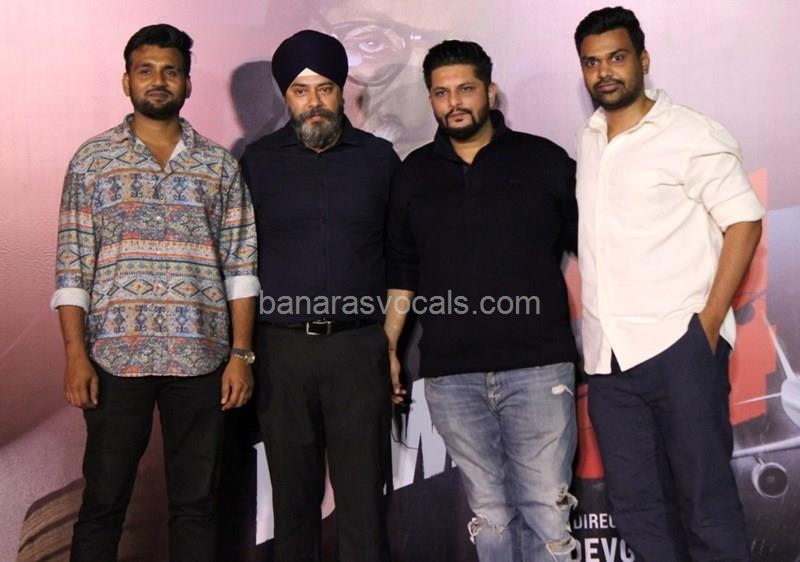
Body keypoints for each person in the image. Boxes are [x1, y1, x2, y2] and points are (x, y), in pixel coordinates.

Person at [51, 23, 259, 561]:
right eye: (146, 71)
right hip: (114, 358)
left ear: (187, 83)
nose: (158, 81)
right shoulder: (93, 160)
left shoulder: (218, 165)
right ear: (127, 81)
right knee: (103, 504)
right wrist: (75, 355)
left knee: (197, 505)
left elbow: (241, 267)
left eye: (171, 71)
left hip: (202, 359)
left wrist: (240, 355)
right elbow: (72, 266)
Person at [573, 7, 765, 562]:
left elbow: (744, 222)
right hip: (608, 365)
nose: (605, 72)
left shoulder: (690, 133)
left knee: (706, 505)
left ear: (643, 60)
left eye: (616, 57)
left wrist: (707, 324)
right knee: (638, 513)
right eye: (592, 62)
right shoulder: (589, 137)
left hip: (678, 349)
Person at [385, 40, 579, 562]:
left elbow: (590, 248)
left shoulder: (544, 160)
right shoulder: (412, 174)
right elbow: (402, 272)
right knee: (490, 514)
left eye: (466, 88)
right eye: (441, 93)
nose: (454, 102)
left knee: (547, 509)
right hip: (452, 378)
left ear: (490, 92)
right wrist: (388, 348)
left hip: (539, 368)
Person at [240, 30, 399, 562]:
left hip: (359, 349)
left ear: (342, 91)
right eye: (300, 90)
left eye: (325, 88)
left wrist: (388, 344)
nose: (314, 102)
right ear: (285, 96)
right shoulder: (256, 162)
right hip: (281, 352)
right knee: (293, 506)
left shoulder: (379, 159)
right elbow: (238, 260)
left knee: (364, 503)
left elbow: (402, 257)